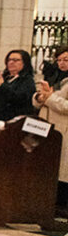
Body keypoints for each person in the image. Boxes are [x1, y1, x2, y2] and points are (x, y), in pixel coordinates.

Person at [34, 69, 68, 208]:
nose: (62, 63)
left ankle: (59, 205)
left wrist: (50, 98)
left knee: (61, 171)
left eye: (66, 59)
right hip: (46, 127)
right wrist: (39, 97)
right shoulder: (55, 77)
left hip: (63, 131)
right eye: (59, 60)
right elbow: (40, 97)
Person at [0, 49, 37, 121]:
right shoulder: (5, 78)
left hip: (15, 121)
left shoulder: (27, 80)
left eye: (16, 60)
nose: (11, 62)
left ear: (25, 63)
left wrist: (1, 86)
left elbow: (19, 98)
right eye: (9, 60)